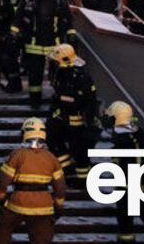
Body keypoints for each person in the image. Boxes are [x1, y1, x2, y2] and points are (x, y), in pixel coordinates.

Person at [0, 117, 66, 244]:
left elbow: (2, 182)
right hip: (44, 207)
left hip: (17, 204)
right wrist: (58, 207)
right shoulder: (51, 158)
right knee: (42, 238)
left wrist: (1, 199)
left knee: (2, 228)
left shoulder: (17, 155)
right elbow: (60, 189)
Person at [104, 101, 144, 243]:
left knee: (125, 220)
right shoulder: (137, 132)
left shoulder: (124, 139)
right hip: (142, 183)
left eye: (111, 117)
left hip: (130, 186)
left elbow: (125, 164)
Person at [12, 0, 76, 108]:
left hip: (55, 44)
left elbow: (69, 20)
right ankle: (34, 100)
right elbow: (18, 17)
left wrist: (71, 35)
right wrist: (14, 34)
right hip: (34, 44)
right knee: (35, 74)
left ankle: (59, 99)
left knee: (59, 74)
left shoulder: (61, 0)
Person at [46, 44, 98, 188]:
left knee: (79, 152)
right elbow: (59, 97)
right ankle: (68, 171)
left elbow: (89, 101)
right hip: (63, 119)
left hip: (77, 123)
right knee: (53, 140)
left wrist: (88, 120)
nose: (53, 64)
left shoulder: (80, 77)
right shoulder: (62, 74)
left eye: (56, 61)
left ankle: (82, 179)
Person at [0, 0, 23, 93]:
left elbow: (16, 16)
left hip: (12, 35)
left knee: (10, 60)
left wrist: (4, 16)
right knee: (2, 59)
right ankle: (11, 82)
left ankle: (15, 84)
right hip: (2, 31)